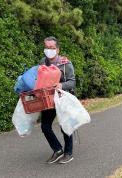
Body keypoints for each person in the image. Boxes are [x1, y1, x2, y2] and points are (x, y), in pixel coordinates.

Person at [40, 36, 76, 164]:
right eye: (47, 47)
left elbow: (72, 82)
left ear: (57, 49)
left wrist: (61, 85)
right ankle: (57, 149)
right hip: (47, 100)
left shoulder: (65, 63)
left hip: (62, 99)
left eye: (52, 48)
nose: (49, 50)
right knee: (45, 127)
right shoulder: (42, 63)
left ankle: (68, 153)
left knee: (65, 126)